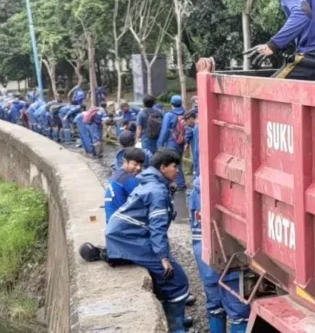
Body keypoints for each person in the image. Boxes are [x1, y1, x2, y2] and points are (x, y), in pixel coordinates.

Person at [81, 150, 191, 332]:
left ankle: (173, 316)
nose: (178, 171)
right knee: (177, 279)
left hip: (126, 234)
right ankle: (176, 325)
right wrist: (163, 256)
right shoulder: (156, 190)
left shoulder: (153, 182)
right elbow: (157, 226)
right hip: (129, 238)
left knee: (168, 271)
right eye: (174, 167)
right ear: (163, 168)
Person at [187, 121, 250, 332]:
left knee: (214, 304)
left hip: (203, 250)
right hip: (226, 252)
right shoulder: (222, 187)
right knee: (239, 310)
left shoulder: (197, 186)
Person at [104, 147, 146, 222]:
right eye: (135, 164)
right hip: (121, 223)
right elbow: (143, 200)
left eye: (140, 164)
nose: (138, 167)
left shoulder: (118, 174)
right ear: (125, 162)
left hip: (112, 220)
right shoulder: (128, 180)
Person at [157, 96, 187, 189]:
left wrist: (160, 143)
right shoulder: (185, 113)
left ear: (171, 104)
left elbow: (165, 130)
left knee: (172, 163)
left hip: (172, 142)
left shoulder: (169, 115)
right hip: (182, 142)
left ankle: (180, 184)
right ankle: (179, 182)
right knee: (178, 161)